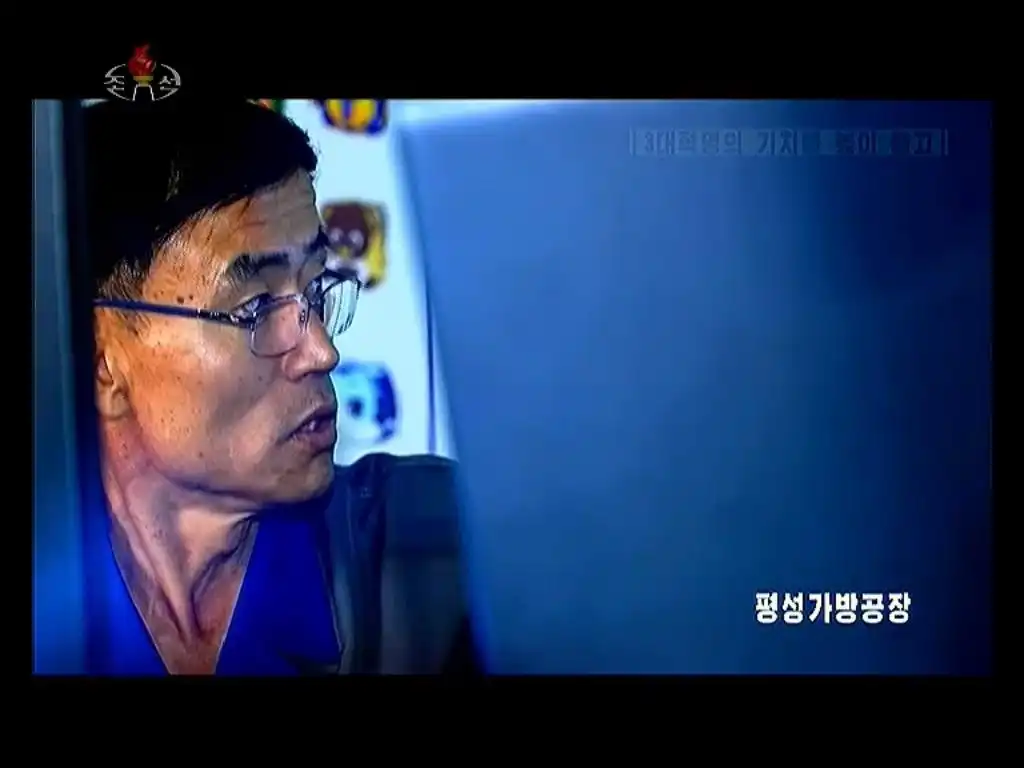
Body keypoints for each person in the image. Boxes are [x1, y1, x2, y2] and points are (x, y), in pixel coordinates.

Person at [82, 99, 478, 675]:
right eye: (256, 307)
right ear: (101, 361)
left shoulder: (442, 557)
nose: (322, 351)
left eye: (316, 289)